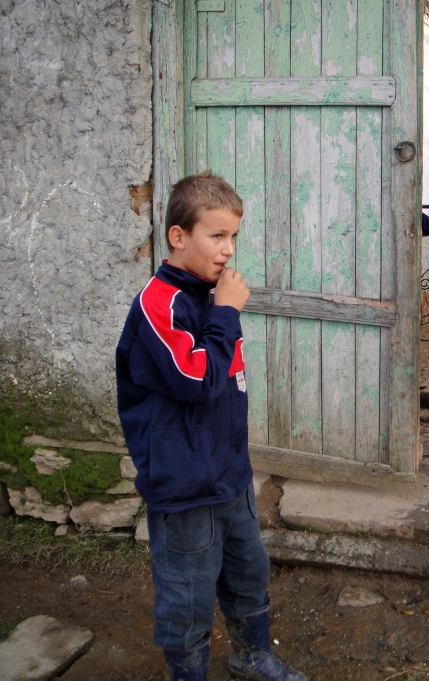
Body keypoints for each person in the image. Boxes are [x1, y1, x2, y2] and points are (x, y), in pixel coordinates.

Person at [116, 171, 306, 681]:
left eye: (234, 237)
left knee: (248, 573)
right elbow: (196, 381)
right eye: (215, 236)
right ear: (179, 236)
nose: (228, 250)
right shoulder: (159, 305)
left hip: (229, 477)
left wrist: (221, 310)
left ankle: (251, 655)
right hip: (185, 486)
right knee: (188, 594)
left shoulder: (211, 295)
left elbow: (227, 380)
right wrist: (226, 315)